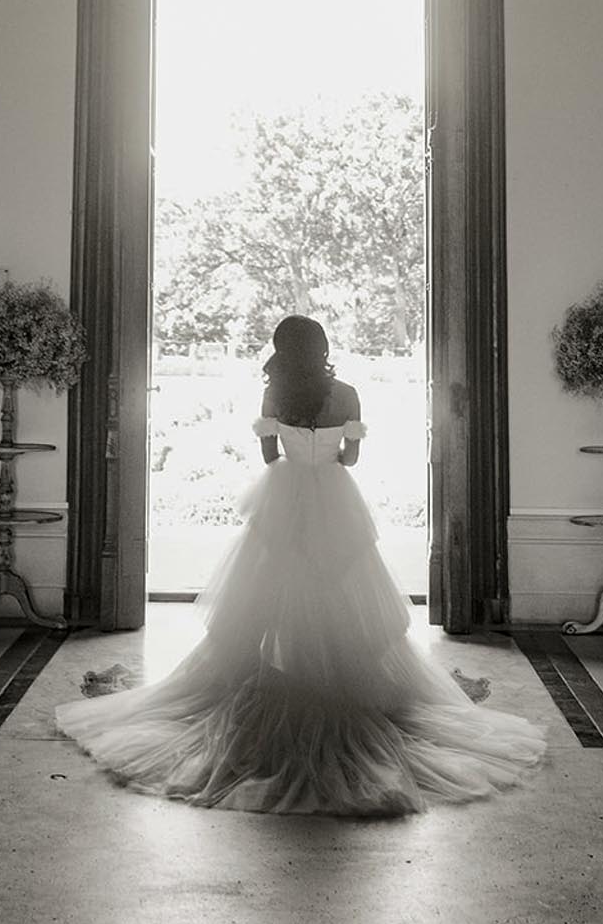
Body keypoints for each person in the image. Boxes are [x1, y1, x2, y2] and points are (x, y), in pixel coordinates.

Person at [54, 315, 545, 816]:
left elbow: (269, 457)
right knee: (343, 586)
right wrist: (328, 451)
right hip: (336, 497)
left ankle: (277, 673)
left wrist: (295, 448)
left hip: (284, 496)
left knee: (269, 591)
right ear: (323, 347)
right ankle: (340, 676)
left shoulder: (274, 395)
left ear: (280, 349)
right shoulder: (348, 394)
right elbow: (350, 460)